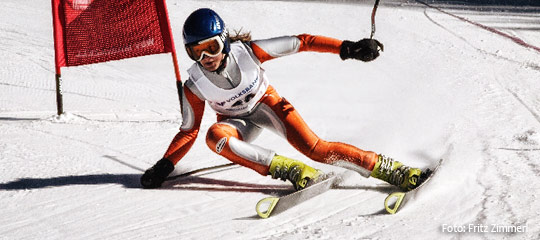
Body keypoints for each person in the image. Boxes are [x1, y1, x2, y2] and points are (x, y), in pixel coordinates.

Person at [141, 8, 422, 191]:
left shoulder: (248, 52)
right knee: (215, 137)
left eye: (211, 47)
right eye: (196, 52)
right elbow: (188, 130)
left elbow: (303, 41)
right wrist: (165, 165)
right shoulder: (195, 84)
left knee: (317, 149)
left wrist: (348, 48)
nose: (206, 58)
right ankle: (291, 170)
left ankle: (390, 169)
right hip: (236, 123)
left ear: (224, 41)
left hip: (268, 106)